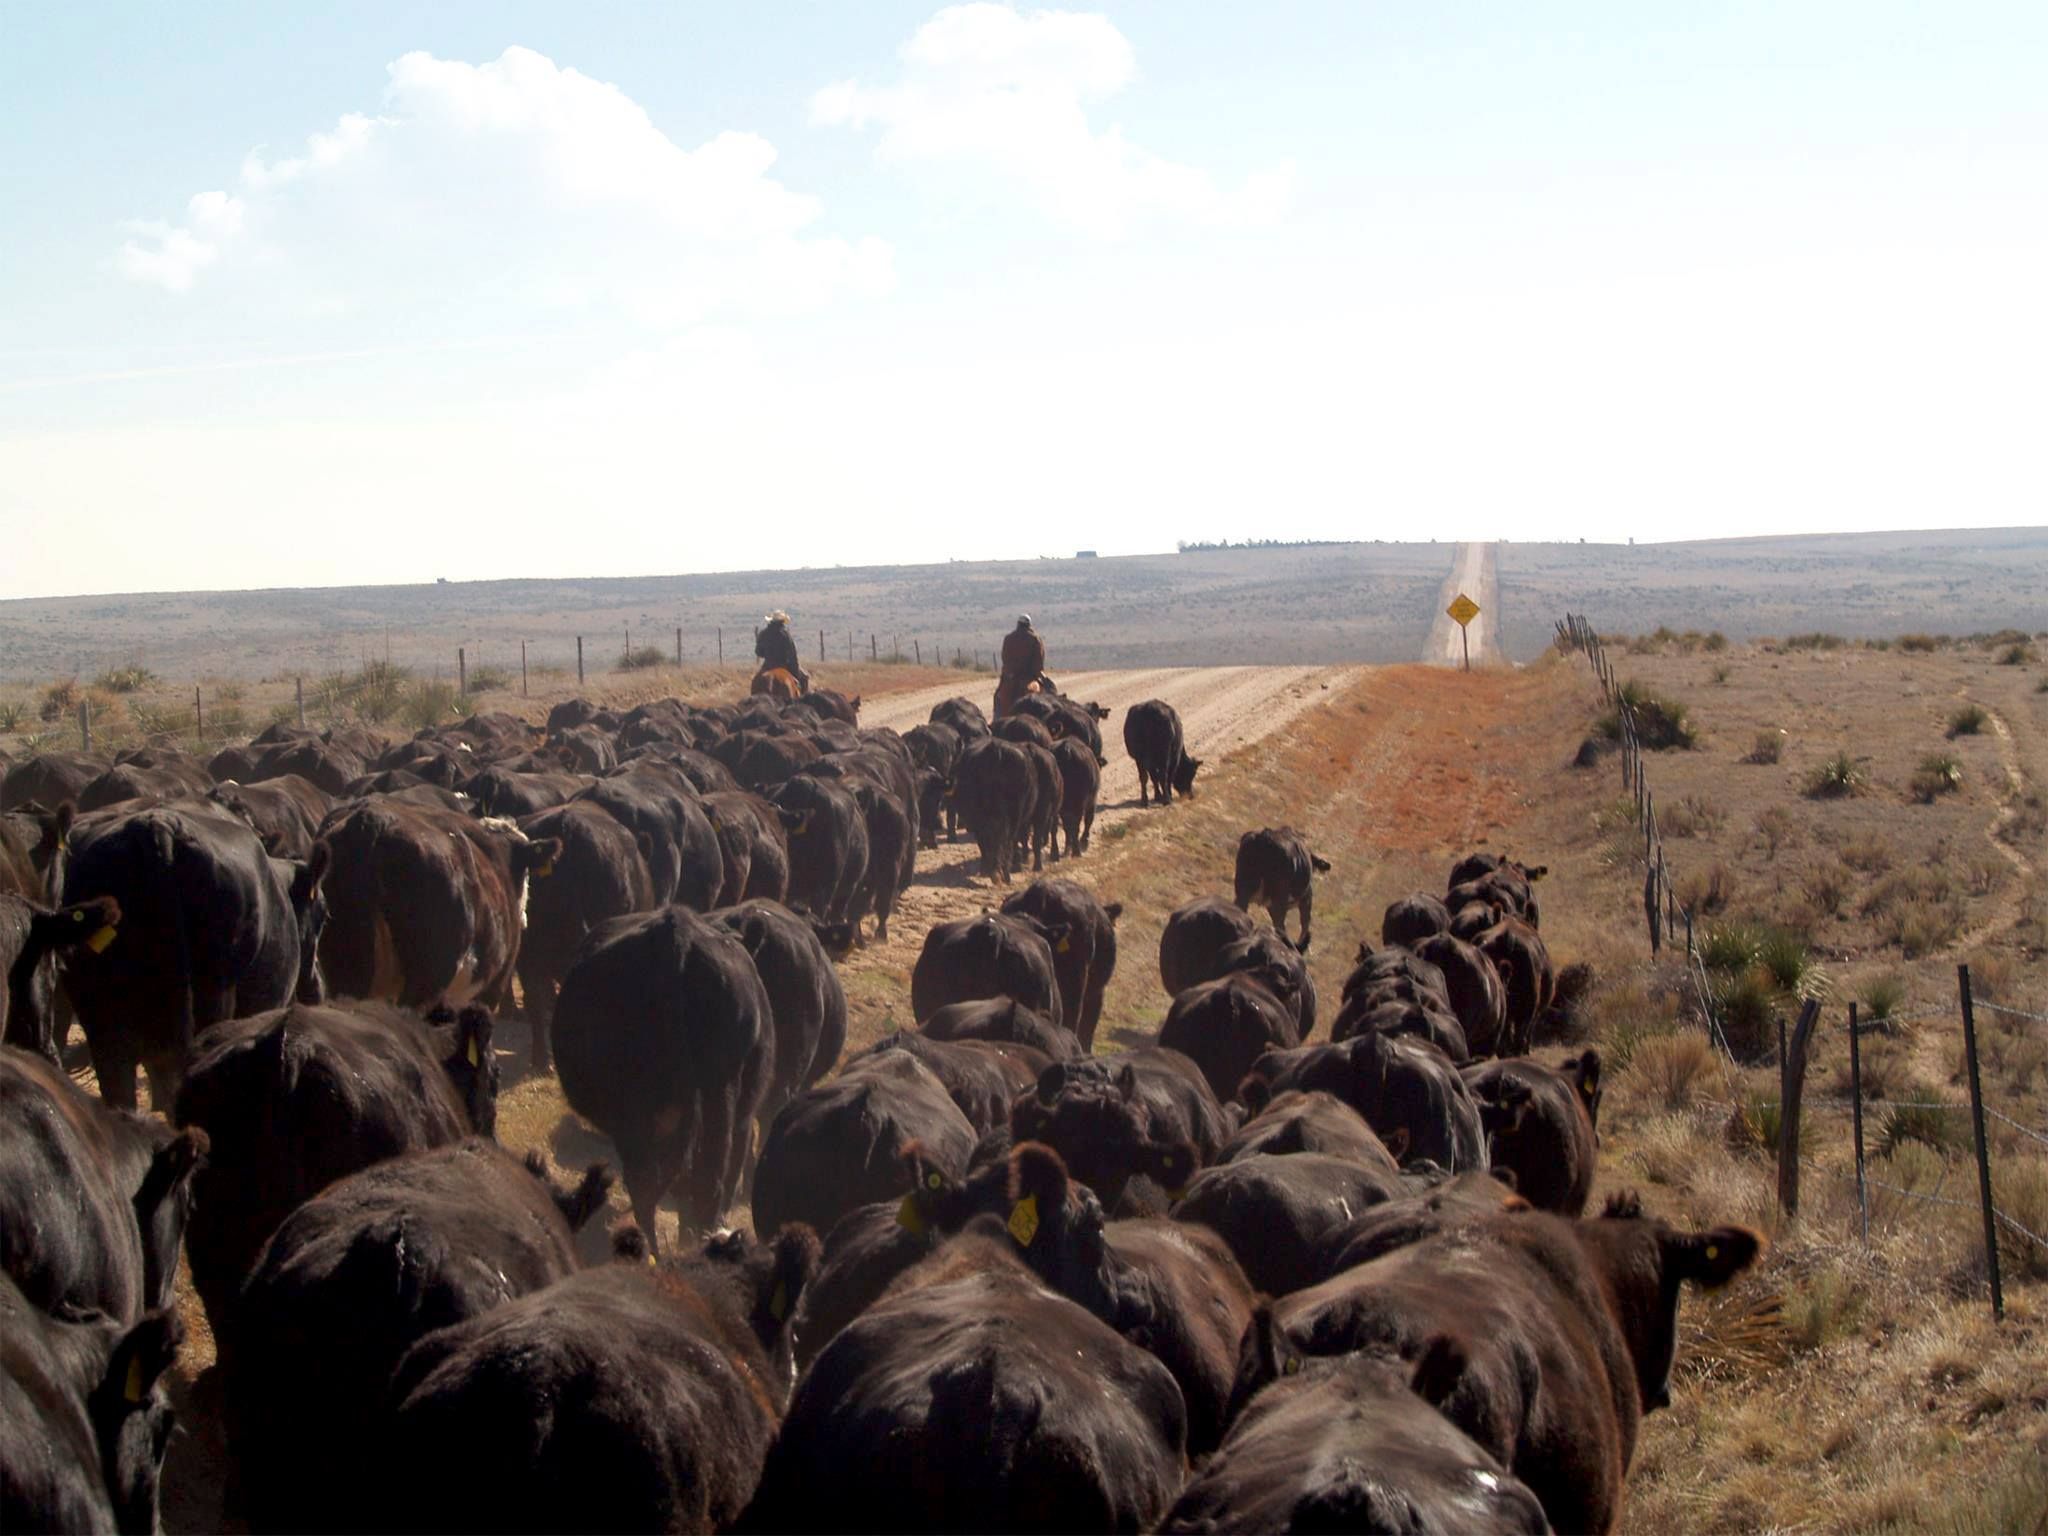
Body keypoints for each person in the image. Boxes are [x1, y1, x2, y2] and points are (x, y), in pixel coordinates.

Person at [994, 614, 1049, 717]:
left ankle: (996, 721)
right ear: (1029, 625)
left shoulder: (1008, 638)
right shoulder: (1035, 639)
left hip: (1010, 677)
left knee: (998, 697)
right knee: (1049, 692)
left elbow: (1005, 658)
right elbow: (1039, 663)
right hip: (1029, 678)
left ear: (1018, 624)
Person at [755, 611, 811, 693]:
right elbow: (792, 655)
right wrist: (795, 671)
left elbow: (758, 652)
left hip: (767, 665)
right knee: (804, 678)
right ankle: (802, 700)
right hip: (783, 664)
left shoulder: (763, 634)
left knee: (756, 681)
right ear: (782, 622)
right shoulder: (785, 634)